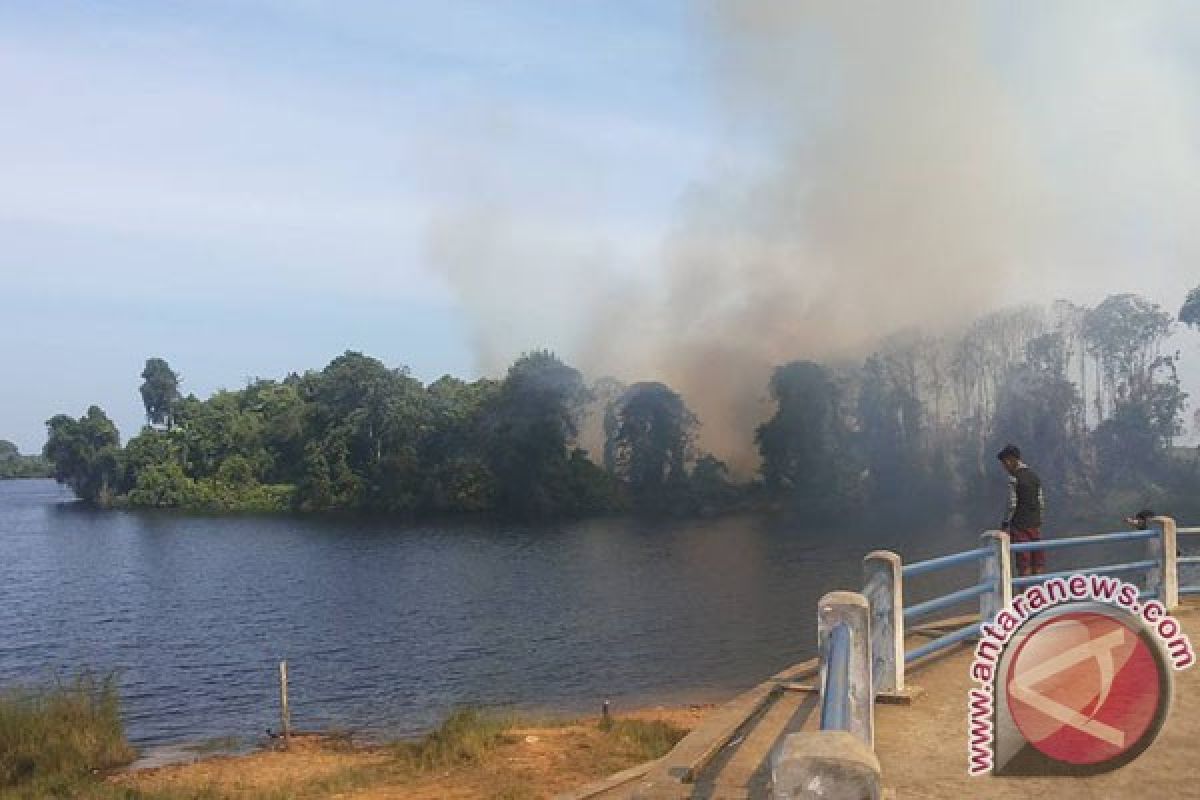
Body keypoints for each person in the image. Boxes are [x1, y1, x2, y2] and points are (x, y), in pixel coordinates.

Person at [997, 444, 1045, 577]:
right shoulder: (1035, 477)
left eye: (1004, 463)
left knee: (1024, 564)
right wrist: (1038, 520)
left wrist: (1005, 523)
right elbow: (1041, 502)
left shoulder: (1014, 479)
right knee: (1038, 562)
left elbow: (1012, 504)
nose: (1005, 467)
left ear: (1010, 460)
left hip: (1020, 526)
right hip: (1035, 526)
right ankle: (1037, 594)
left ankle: (1025, 595)